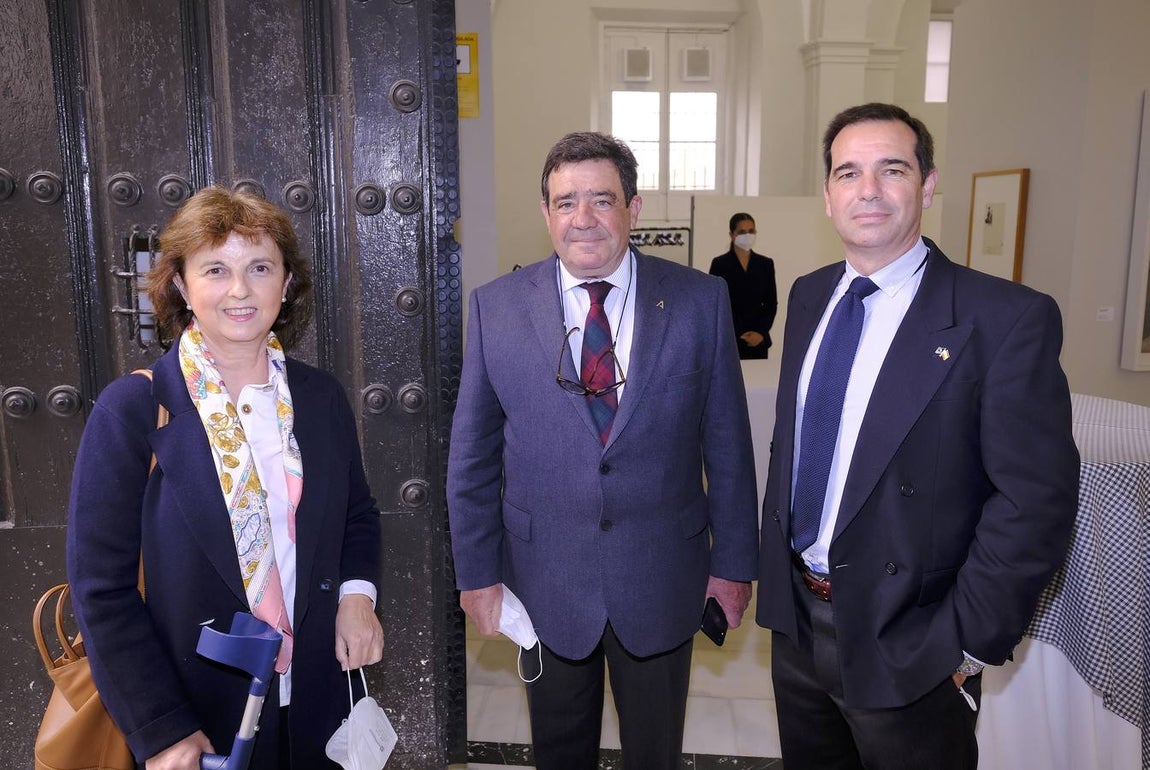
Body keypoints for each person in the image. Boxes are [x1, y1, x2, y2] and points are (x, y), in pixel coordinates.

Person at [755, 103, 1079, 770]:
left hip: (911, 642)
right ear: (827, 195)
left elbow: (1034, 501)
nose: (867, 190)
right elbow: (796, 447)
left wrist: (965, 645)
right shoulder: (811, 296)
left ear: (928, 185)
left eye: (891, 169)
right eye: (848, 173)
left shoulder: (1003, 319)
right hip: (798, 628)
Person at [447, 131, 759, 769]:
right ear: (545, 213)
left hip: (663, 576)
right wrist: (476, 577)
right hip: (544, 583)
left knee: (656, 754)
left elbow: (728, 444)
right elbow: (472, 459)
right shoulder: (495, 309)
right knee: (559, 754)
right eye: (565, 203)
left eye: (601, 200)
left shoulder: (701, 301)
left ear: (634, 209)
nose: (582, 219)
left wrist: (732, 565)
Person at [67, 187, 384, 770]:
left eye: (259, 267)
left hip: (316, 695)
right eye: (215, 269)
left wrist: (357, 599)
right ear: (183, 286)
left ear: (285, 283)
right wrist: (162, 730)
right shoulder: (133, 410)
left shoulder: (320, 399)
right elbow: (101, 590)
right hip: (196, 717)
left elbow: (356, 514)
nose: (240, 290)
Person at [708, 213, 778, 359]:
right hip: (729, 340)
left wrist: (761, 332)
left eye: (751, 231)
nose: (747, 235)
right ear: (732, 234)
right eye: (742, 232)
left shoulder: (765, 264)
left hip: (758, 341)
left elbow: (771, 303)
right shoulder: (719, 264)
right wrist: (736, 333)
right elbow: (715, 303)